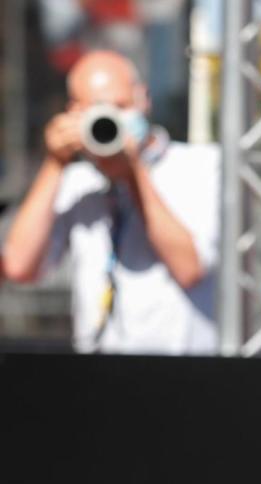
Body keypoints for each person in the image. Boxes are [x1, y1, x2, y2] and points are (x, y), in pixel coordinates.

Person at [3, 50, 219, 354]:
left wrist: (133, 175)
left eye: (119, 107)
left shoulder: (200, 166)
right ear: (74, 113)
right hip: (98, 380)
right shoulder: (76, 180)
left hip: (183, 376)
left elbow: (189, 269)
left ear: (143, 99)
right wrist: (55, 163)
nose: (110, 120)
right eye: (96, 110)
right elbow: (18, 266)